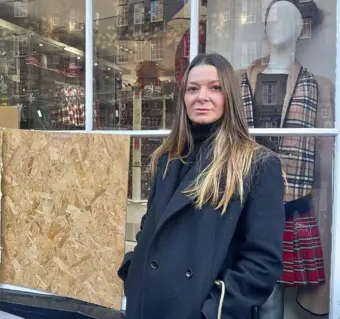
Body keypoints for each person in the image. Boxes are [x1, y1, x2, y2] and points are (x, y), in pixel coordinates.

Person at [117, 53, 286, 319]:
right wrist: (133, 270)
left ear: (229, 95)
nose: (201, 96)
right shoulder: (168, 157)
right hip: (146, 305)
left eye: (214, 88)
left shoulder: (257, 164)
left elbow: (263, 262)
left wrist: (214, 310)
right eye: (193, 89)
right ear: (183, 97)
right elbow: (149, 227)